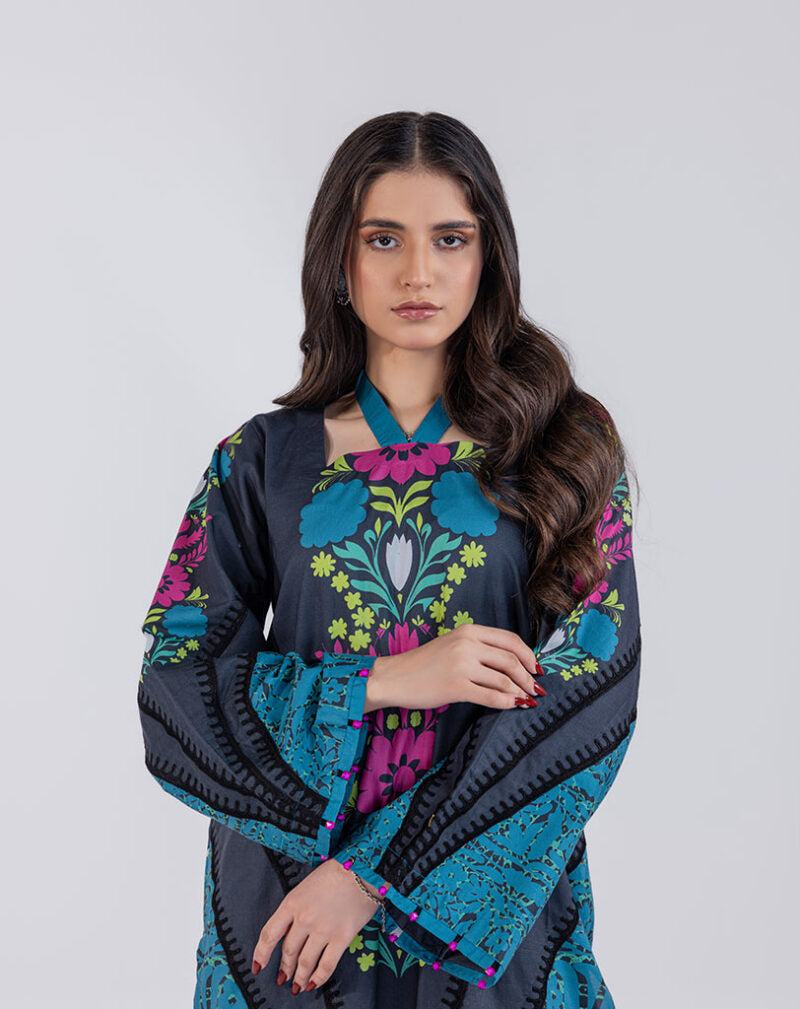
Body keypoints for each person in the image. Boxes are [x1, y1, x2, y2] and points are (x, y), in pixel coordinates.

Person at [138, 110, 642, 1008]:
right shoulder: (260, 462)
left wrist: (374, 874)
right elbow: (177, 689)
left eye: (450, 238)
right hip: (291, 915)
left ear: (488, 256)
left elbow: (588, 692)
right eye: (384, 239)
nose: (418, 272)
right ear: (340, 258)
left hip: (482, 923)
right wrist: (382, 680)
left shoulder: (564, 442)